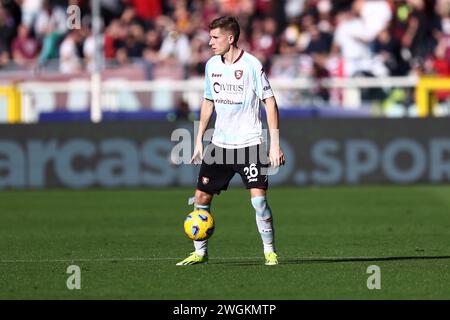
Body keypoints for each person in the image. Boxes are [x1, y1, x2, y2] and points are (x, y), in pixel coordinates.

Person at [176, 16, 285, 266]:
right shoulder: (211, 65)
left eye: (215, 37)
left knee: (259, 201)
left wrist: (274, 143)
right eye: (210, 37)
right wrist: (199, 138)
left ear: (230, 38)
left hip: (249, 143)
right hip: (220, 145)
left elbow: (270, 102)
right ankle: (200, 253)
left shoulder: (252, 65)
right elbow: (207, 101)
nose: (210, 42)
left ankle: (270, 251)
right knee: (201, 198)